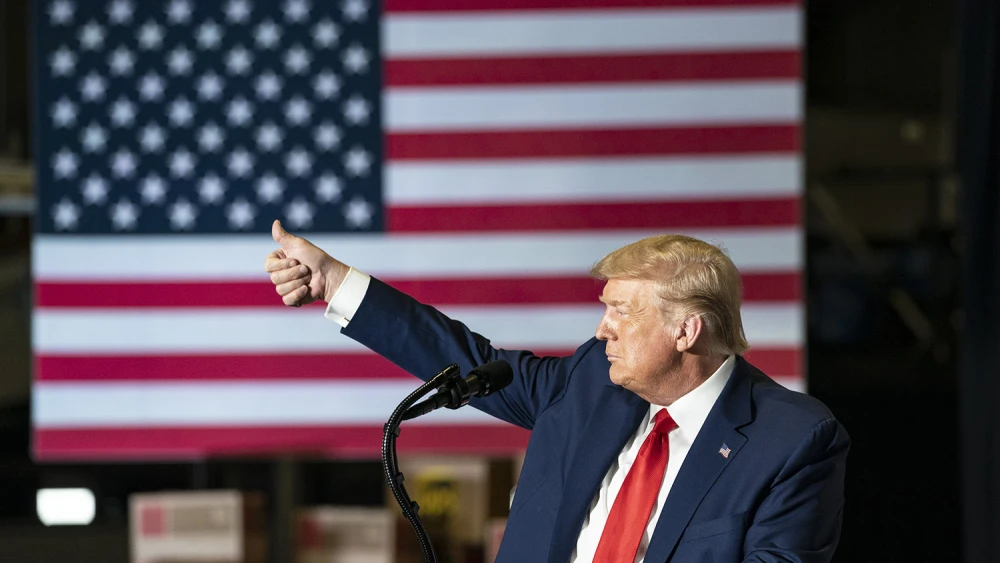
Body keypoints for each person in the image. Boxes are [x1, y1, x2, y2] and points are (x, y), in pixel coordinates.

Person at [264, 220, 849, 563]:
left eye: (621, 311)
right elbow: (472, 363)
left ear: (685, 330)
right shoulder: (593, 379)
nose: (602, 329)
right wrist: (335, 282)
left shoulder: (791, 440)